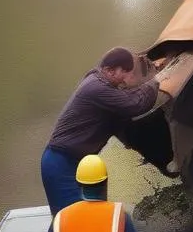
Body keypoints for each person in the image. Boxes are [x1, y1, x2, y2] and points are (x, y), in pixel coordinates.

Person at [41, 46, 165, 215]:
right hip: (60, 163)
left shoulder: (100, 82)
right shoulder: (96, 88)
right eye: (125, 73)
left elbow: (125, 110)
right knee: (70, 220)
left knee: (83, 218)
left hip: (75, 162)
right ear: (109, 70)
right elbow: (135, 104)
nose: (125, 79)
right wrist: (156, 81)